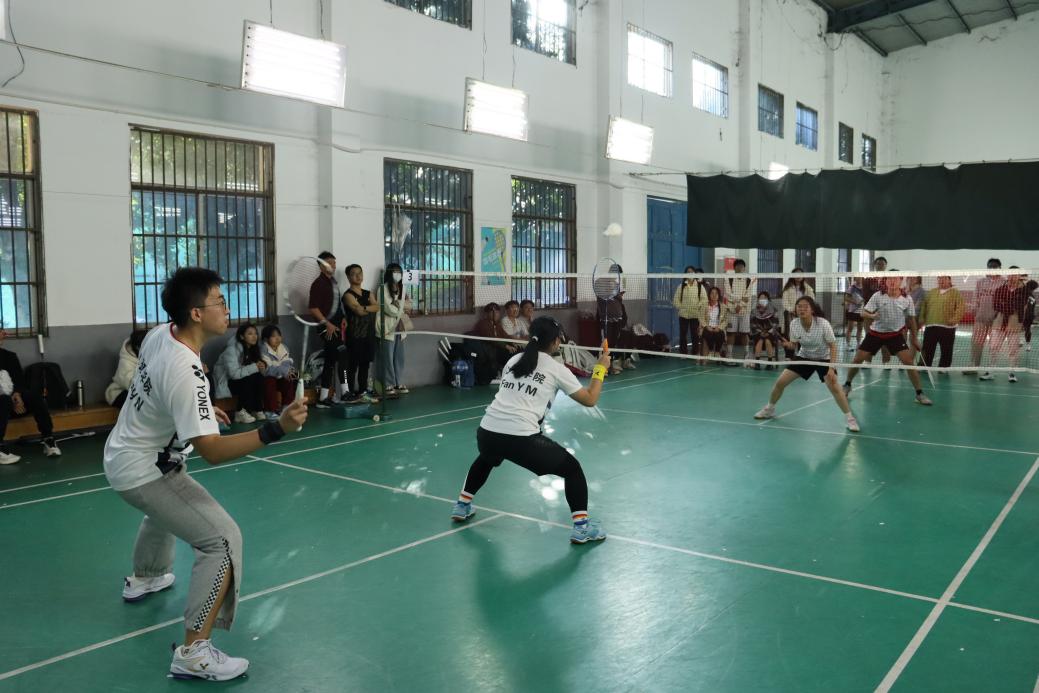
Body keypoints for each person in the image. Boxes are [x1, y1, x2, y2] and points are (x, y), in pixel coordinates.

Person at [103, 267, 307, 681]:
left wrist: (194, 411)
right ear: (196, 313)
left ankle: (146, 577)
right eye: (220, 301)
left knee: (165, 511)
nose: (227, 309)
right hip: (145, 470)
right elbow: (212, 450)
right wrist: (276, 429)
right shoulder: (187, 371)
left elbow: (158, 387)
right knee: (222, 540)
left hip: (122, 453)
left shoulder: (161, 334)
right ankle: (194, 652)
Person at [450, 317, 612, 544]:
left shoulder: (514, 360)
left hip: (487, 432)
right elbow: (590, 399)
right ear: (556, 342)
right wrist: (600, 368)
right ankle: (582, 528)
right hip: (522, 439)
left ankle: (462, 505)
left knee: (488, 457)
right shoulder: (557, 369)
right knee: (573, 470)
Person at [754, 296, 859, 432]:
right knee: (780, 382)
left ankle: (850, 418)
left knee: (835, 386)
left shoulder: (823, 324)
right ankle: (770, 409)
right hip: (804, 357)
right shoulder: (794, 324)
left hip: (823, 358)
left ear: (812, 310)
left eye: (805, 306)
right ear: (796, 309)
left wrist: (831, 368)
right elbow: (794, 344)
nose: (802, 309)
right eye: (799, 306)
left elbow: (833, 346)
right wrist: (788, 344)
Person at [843, 276, 933, 406]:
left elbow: (911, 319)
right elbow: (863, 313)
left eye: (895, 279)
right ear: (886, 281)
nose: (892, 281)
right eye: (889, 279)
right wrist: (872, 315)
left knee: (909, 362)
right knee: (857, 359)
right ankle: (847, 385)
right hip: (875, 333)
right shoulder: (878, 296)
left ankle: (919, 394)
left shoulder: (907, 299)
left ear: (900, 281)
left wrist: (914, 338)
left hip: (895, 335)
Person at [0, 330, 61, 464]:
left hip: (14, 404)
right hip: (3, 404)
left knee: (33, 396)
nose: (2, 335)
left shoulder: (9, 357)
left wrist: (17, 395)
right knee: (4, 400)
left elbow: (19, 381)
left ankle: (48, 439)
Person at [308, 251, 346, 407]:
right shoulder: (318, 284)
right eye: (330, 262)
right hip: (327, 328)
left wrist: (343, 318)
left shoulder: (333, 282)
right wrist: (327, 324)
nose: (333, 265)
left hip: (337, 326)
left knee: (330, 360)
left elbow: (337, 305)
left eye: (334, 262)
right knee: (342, 355)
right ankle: (345, 392)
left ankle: (324, 398)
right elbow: (313, 308)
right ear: (321, 265)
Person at [214, 323, 269, 423]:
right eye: (250, 334)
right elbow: (234, 374)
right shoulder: (231, 350)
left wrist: (262, 366)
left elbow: (255, 370)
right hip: (226, 382)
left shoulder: (253, 349)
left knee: (258, 376)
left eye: (255, 333)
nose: (254, 336)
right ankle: (239, 412)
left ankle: (257, 409)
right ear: (242, 336)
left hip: (241, 381)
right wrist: (254, 367)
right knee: (249, 378)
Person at [341, 264, 380, 404]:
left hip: (368, 335)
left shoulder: (369, 293)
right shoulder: (347, 295)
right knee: (352, 366)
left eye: (360, 273)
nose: (358, 276)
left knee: (365, 365)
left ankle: (363, 391)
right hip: (354, 336)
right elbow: (358, 311)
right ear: (348, 277)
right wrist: (368, 307)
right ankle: (350, 393)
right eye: (354, 274)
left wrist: (363, 307)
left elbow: (377, 307)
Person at [375, 263, 411, 397]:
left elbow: (409, 305)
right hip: (387, 327)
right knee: (387, 357)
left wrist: (398, 305)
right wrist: (401, 308)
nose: (397, 275)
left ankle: (398, 382)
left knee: (399, 357)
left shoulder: (402, 288)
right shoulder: (382, 289)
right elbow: (388, 308)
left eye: (399, 272)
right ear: (389, 273)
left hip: (400, 327)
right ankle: (388, 384)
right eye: (394, 272)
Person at [990, 268, 1030, 383]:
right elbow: (996, 305)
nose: (1012, 277)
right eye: (1010, 275)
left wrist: (1006, 305)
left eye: (1015, 275)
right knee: (993, 347)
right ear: (1007, 276)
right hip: (999, 323)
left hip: (1014, 324)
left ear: (1019, 276)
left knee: (1013, 350)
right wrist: (1010, 307)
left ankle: (1012, 373)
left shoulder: (1025, 291)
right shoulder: (1000, 289)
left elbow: (1022, 306)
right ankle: (990, 371)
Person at [917, 275, 964, 371]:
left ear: (949, 280)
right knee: (927, 348)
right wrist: (921, 318)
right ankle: (924, 365)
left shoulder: (955, 293)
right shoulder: (932, 292)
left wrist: (954, 320)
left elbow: (961, 307)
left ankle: (944, 368)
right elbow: (924, 305)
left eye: (944, 278)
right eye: (939, 278)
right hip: (931, 326)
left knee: (946, 349)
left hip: (948, 328)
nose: (941, 280)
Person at [968, 258, 1004, 379]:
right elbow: (975, 297)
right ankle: (974, 367)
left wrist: (999, 315)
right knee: (976, 343)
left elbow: (1005, 301)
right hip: (980, 318)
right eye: (990, 267)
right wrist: (975, 310)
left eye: (995, 267)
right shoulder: (980, 282)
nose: (992, 269)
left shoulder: (1004, 282)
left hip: (996, 319)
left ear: (999, 268)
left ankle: (990, 369)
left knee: (993, 346)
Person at [259, 324, 298, 414]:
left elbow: (287, 363)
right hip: (266, 377)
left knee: (290, 378)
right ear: (266, 339)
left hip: (280, 376)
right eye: (273, 336)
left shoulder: (284, 348)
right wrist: (284, 370)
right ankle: (271, 410)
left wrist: (285, 370)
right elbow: (268, 369)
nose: (277, 338)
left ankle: (287, 406)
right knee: (270, 381)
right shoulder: (263, 350)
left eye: (279, 335)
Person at [106, 329, 148, 408]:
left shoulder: (147, 354)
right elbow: (132, 385)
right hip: (119, 392)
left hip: (140, 390)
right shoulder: (125, 362)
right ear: (138, 347)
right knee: (141, 402)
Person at [723, 259, 756, 362]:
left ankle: (746, 355)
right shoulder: (729, 279)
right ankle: (729, 355)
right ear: (734, 268)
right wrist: (737, 304)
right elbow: (728, 294)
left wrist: (740, 305)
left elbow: (747, 296)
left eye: (742, 266)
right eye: (737, 266)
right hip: (732, 311)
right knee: (731, 333)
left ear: (744, 268)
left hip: (744, 312)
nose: (740, 268)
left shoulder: (748, 280)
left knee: (744, 333)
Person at [672, 266, 706, 356]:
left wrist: (698, 306)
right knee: (683, 334)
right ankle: (683, 353)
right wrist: (681, 307)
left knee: (695, 335)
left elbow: (704, 299)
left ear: (694, 273)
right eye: (688, 272)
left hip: (695, 315)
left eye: (691, 272)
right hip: (683, 315)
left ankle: (695, 352)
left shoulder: (700, 286)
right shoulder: (681, 286)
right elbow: (676, 299)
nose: (690, 273)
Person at [781, 269, 815, 358]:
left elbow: (812, 299)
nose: (798, 276)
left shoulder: (807, 288)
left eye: (800, 274)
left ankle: (802, 355)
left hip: (803, 315)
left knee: (802, 334)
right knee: (789, 335)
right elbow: (784, 302)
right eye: (796, 274)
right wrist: (791, 310)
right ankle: (789, 356)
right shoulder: (787, 288)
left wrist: (805, 310)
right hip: (790, 315)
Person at [749, 291, 780, 368]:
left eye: (764, 298)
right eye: (761, 298)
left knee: (767, 340)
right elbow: (752, 324)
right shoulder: (754, 310)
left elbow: (776, 323)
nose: (762, 299)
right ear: (758, 299)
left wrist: (768, 332)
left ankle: (769, 363)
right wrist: (760, 332)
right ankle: (757, 363)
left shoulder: (774, 309)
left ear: (768, 299)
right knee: (760, 339)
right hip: (758, 332)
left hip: (771, 332)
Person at [699, 286, 729, 360]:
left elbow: (726, 320)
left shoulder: (723, 306)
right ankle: (711, 351)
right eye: (712, 293)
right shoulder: (704, 305)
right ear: (709, 295)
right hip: (707, 327)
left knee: (720, 334)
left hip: (718, 327)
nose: (714, 295)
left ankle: (717, 352)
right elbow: (701, 317)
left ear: (719, 295)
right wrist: (706, 326)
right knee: (708, 333)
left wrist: (719, 327)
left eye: (716, 293)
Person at [843, 278, 865, 352]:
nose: (859, 280)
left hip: (861, 311)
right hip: (852, 310)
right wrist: (855, 302)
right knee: (850, 328)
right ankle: (847, 345)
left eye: (860, 278)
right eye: (858, 278)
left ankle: (858, 345)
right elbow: (846, 298)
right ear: (856, 279)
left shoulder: (864, 287)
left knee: (860, 328)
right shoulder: (852, 287)